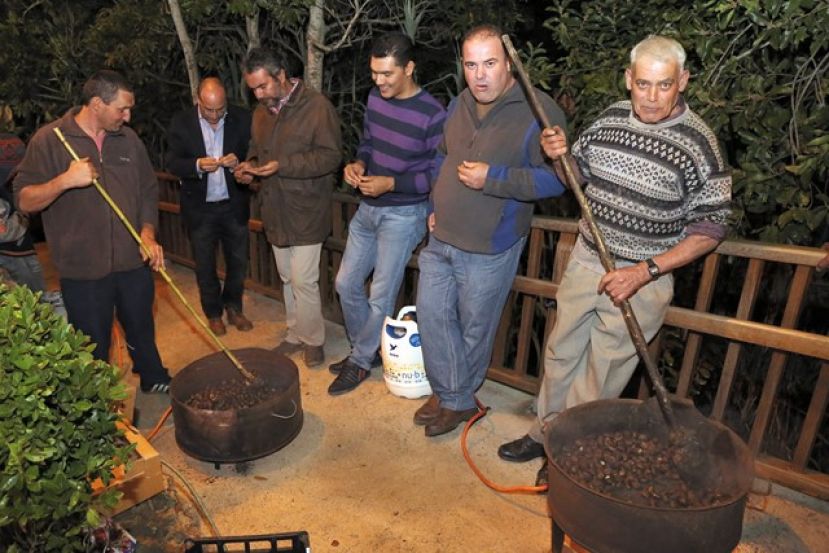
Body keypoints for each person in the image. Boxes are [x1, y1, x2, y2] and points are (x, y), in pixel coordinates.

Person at [497, 35, 732, 483]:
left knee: (600, 375)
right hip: (588, 259)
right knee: (560, 352)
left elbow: (712, 227)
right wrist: (557, 156)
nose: (651, 97)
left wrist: (645, 272)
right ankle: (543, 432)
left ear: (683, 81)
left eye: (664, 86)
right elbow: (574, 177)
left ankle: (569, 455)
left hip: (643, 277)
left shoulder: (700, 144)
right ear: (628, 79)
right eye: (643, 84)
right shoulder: (609, 119)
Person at [414, 25, 568, 437]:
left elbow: (560, 180)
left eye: (490, 63)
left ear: (509, 64)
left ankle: (456, 398)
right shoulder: (460, 102)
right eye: (470, 64)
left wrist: (493, 178)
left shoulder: (539, 110)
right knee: (432, 317)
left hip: (490, 245)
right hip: (441, 234)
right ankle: (452, 393)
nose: (479, 75)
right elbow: (442, 157)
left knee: (474, 329)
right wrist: (433, 205)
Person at [14, 70, 172, 393]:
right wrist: (65, 181)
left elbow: (147, 189)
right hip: (83, 271)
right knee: (93, 346)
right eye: (122, 109)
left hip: (132, 263)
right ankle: (101, 402)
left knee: (141, 327)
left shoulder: (128, 140)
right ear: (97, 104)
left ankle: (153, 377)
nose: (127, 117)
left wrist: (147, 232)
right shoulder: (50, 140)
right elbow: (24, 199)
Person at [326, 32, 447, 396]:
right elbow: (368, 142)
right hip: (368, 207)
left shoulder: (433, 115)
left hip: (405, 214)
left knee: (381, 294)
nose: (379, 82)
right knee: (345, 283)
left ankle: (360, 361)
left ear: (409, 68)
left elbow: (435, 176)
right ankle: (369, 349)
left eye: (387, 74)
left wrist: (391, 184)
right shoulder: (376, 99)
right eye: (374, 73)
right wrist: (358, 163)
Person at [234, 48, 342, 367]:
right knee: (286, 277)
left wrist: (281, 165)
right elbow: (256, 151)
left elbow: (330, 156)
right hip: (275, 207)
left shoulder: (316, 106)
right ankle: (295, 333)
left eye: (263, 86)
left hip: (307, 207)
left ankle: (313, 339)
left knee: (303, 279)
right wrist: (249, 168)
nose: (258, 94)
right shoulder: (261, 112)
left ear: (280, 76)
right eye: (253, 88)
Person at [166, 77, 253, 336]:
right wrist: (196, 165)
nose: (215, 115)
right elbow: (171, 162)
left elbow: (256, 154)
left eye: (220, 109)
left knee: (238, 262)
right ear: (198, 100)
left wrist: (240, 162)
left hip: (233, 204)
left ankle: (234, 307)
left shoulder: (242, 118)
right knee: (204, 265)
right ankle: (213, 313)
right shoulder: (181, 122)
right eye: (209, 109)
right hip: (200, 208)